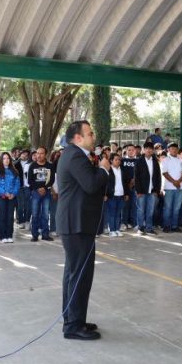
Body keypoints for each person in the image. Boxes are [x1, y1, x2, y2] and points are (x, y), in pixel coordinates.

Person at [56, 120, 110, 341]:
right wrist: (104, 170)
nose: (93, 137)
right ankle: (72, 326)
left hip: (76, 223)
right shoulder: (76, 155)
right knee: (80, 275)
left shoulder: (72, 154)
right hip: (76, 224)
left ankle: (73, 318)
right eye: (89, 133)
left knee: (73, 274)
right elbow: (90, 184)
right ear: (78, 138)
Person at [28, 147, 55, 242]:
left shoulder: (50, 166)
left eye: (41, 153)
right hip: (35, 192)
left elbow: (52, 180)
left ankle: (45, 234)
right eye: (37, 153)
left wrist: (45, 188)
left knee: (45, 214)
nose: (39, 155)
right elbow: (30, 180)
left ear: (45, 154)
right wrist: (38, 188)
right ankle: (34, 235)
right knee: (35, 214)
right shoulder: (32, 165)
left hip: (46, 193)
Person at [0, 152, 20, 243]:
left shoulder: (14, 171)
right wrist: (4, 193)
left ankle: (9, 235)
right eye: (4, 158)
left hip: (12, 197)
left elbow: (17, 184)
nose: (6, 160)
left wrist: (13, 193)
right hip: (0, 197)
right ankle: (2, 235)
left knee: (10, 216)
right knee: (2, 215)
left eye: (8, 158)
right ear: (1, 160)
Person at [134, 141, 161, 235]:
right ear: (143, 150)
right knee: (141, 210)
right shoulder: (139, 161)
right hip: (141, 191)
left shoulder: (155, 161)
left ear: (153, 150)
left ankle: (149, 228)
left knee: (151, 210)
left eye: (150, 149)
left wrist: (156, 190)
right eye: (147, 148)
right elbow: (136, 177)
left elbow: (158, 177)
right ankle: (140, 228)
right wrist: (138, 191)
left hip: (152, 191)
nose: (149, 150)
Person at [161, 142, 182, 233]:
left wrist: (178, 181)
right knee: (168, 208)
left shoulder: (181, 160)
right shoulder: (165, 160)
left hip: (180, 187)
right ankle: (166, 226)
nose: (174, 150)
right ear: (168, 150)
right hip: (168, 188)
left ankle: (175, 226)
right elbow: (164, 173)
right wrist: (174, 182)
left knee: (177, 208)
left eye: (176, 148)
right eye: (172, 148)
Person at [105, 153, 130, 237]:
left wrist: (126, 193)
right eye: (116, 159)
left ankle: (117, 229)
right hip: (111, 195)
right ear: (111, 161)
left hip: (121, 195)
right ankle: (112, 230)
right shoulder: (108, 170)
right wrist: (104, 194)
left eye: (119, 159)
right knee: (112, 213)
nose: (118, 161)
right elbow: (104, 184)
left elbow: (126, 183)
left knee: (118, 213)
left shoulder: (123, 170)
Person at [14, 149, 32, 229]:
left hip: (28, 186)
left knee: (28, 205)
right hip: (19, 186)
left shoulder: (31, 164)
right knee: (20, 205)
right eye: (23, 154)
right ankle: (21, 221)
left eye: (26, 154)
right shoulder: (15, 164)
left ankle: (27, 221)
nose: (24, 156)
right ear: (20, 155)